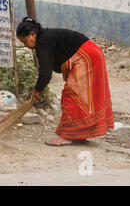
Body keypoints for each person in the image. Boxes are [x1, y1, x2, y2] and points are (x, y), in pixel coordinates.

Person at [16, 17, 114, 146]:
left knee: (71, 95)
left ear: (33, 34)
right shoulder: (45, 38)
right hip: (92, 53)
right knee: (80, 98)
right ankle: (78, 135)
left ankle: (67, 136)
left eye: (25, 41)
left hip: (87, 56)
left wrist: (37, 90)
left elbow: (46, 73)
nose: (26, 45)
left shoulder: (43, 42)